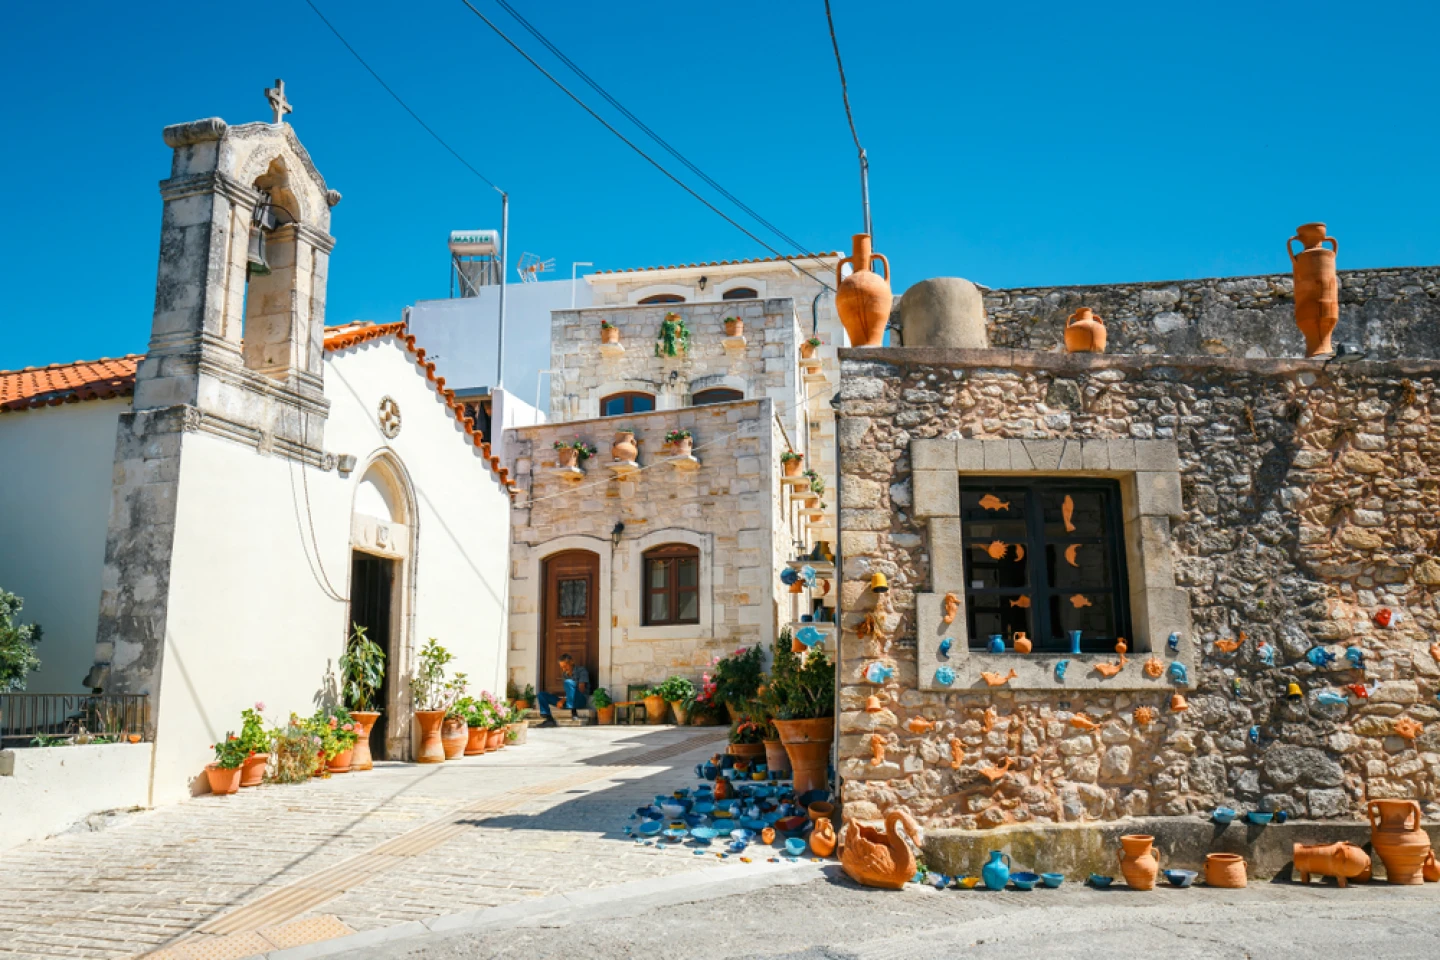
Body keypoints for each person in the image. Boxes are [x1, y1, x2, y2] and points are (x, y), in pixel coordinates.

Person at [536, 653, 589, 728]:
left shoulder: (582, 670)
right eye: (562, 667)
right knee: (541, 695)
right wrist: (557, 698)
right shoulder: (565, 674)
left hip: (580, 700)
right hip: (568, 700)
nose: (564, 669)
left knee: (568, 682)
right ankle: (549, 719)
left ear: (571, 662)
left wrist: (563, 700)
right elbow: (568, 691)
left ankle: (573, 712)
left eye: (565, 666)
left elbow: (581, 689)